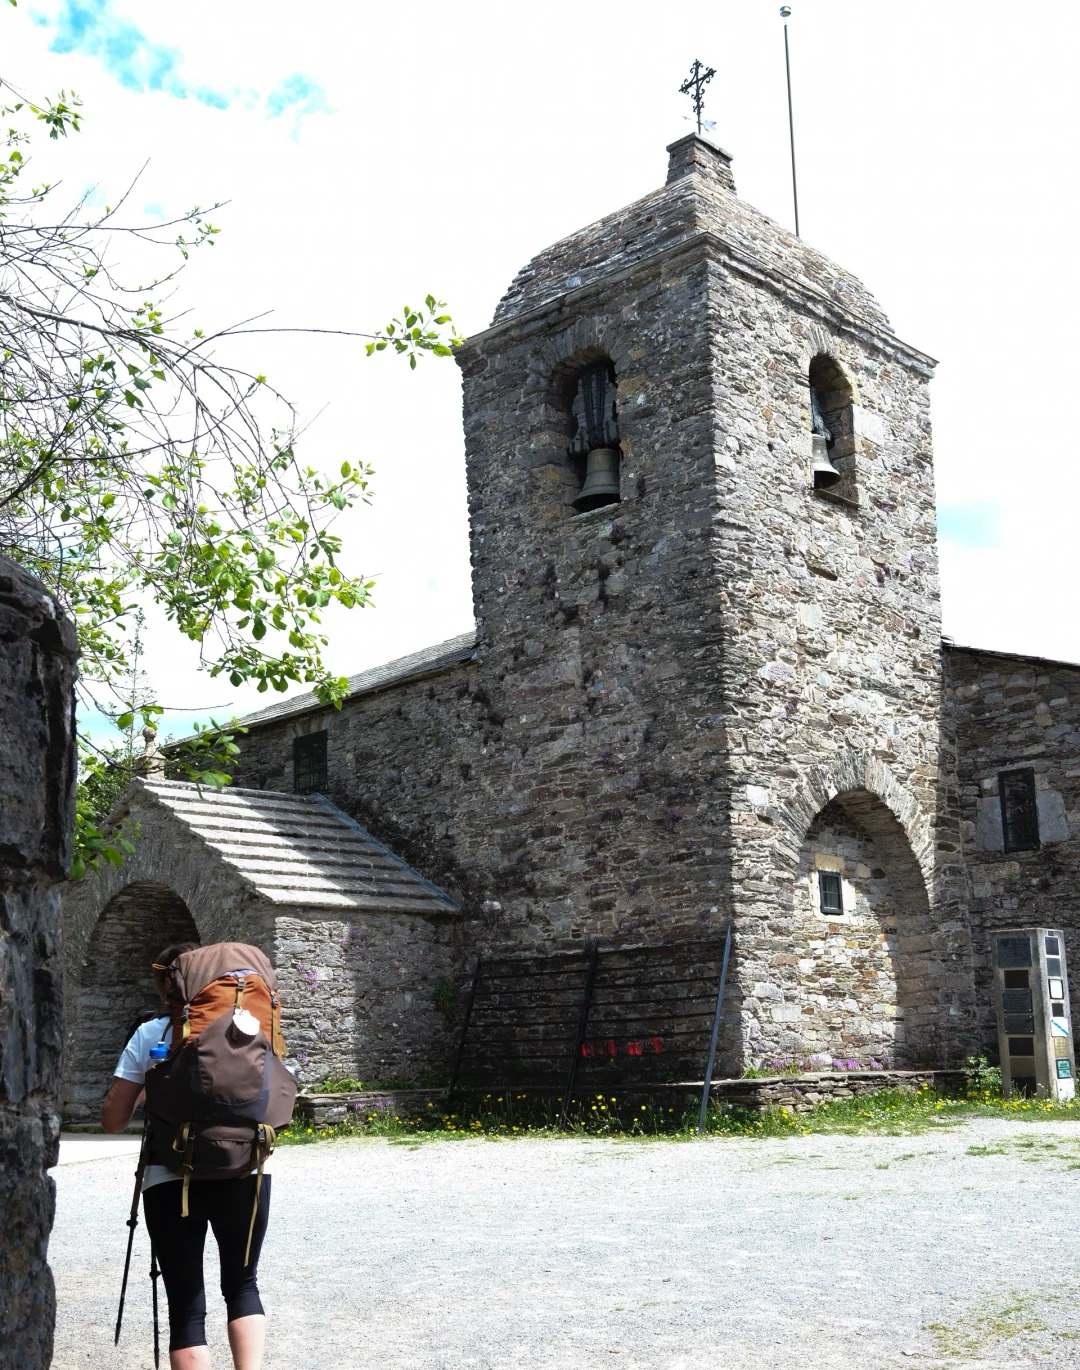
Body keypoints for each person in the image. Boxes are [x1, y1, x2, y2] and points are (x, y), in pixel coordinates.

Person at [101, 942, 273, 1370]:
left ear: (169, 987)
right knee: (243, 1285)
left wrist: (149, 1090)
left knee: (187, 1308)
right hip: (246, 1166)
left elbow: (112, 1120)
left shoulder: (151, 1034)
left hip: (169, 1176)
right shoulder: (251, 1026)